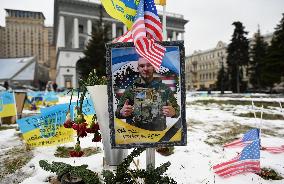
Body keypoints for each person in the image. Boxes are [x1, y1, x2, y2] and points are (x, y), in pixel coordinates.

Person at [115, 57, 180, 131]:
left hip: (158, 137)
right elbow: (117, 112)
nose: (145, 69)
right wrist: (121, 112)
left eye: (149, 65)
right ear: (138, 69)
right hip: (136, 136)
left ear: (154, 67)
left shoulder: (165, 89)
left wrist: (173, 112)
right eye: (142, 66)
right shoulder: (130, 90)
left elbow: (177, 110)